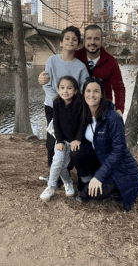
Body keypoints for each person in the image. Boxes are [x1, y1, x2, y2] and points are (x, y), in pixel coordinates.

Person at [70, 77, 138, 211]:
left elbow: (119, 151)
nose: (92, 95)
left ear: (102, 94)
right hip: (101, 160)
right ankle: (88, 183)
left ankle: (112, 186)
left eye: (96, 91)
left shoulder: (113, 118)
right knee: (76, 149)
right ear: (83, 93)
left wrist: (99, 176)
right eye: (88, 91)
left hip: (119, 167)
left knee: (98, 194)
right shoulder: (84, 115)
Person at [39, 24, 125, 116]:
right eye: (89, 38)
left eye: (96, 39)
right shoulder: (76, 55)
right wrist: (41, 78)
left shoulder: (111, 62)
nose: (92, 42)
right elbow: (61, 64)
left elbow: (119, 87)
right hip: (77, 107)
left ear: (102, 41)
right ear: (83, 41)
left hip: (103, 107)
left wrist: (119, 109)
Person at [41, 26, 89, 173]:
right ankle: (53, 173)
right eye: (67, 39)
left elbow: (82, 90)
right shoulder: (52, 60)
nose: (70, 41)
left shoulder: (80, 67)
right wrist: (58, 100)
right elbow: (47, 84)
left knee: (67, 139)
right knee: (53, 139)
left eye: (74, 39)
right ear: (61, 43)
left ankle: (66, 170)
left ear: (78, 44)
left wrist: (70, 102)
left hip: (72, 109)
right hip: (52, 105)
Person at [40, 76, 82, 201]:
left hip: (73, 141)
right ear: (58, 90)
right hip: (61, 141)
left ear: (75, 91)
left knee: (63, 165)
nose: (65, 91)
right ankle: (51, 187)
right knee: (57, 161)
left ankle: (68, 183)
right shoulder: (56, 102)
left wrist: (77, 139)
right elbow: (56, 123)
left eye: (69, 88)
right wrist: (58, 141)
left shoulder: (79, 103)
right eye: (62, 88)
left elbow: (82, 123)